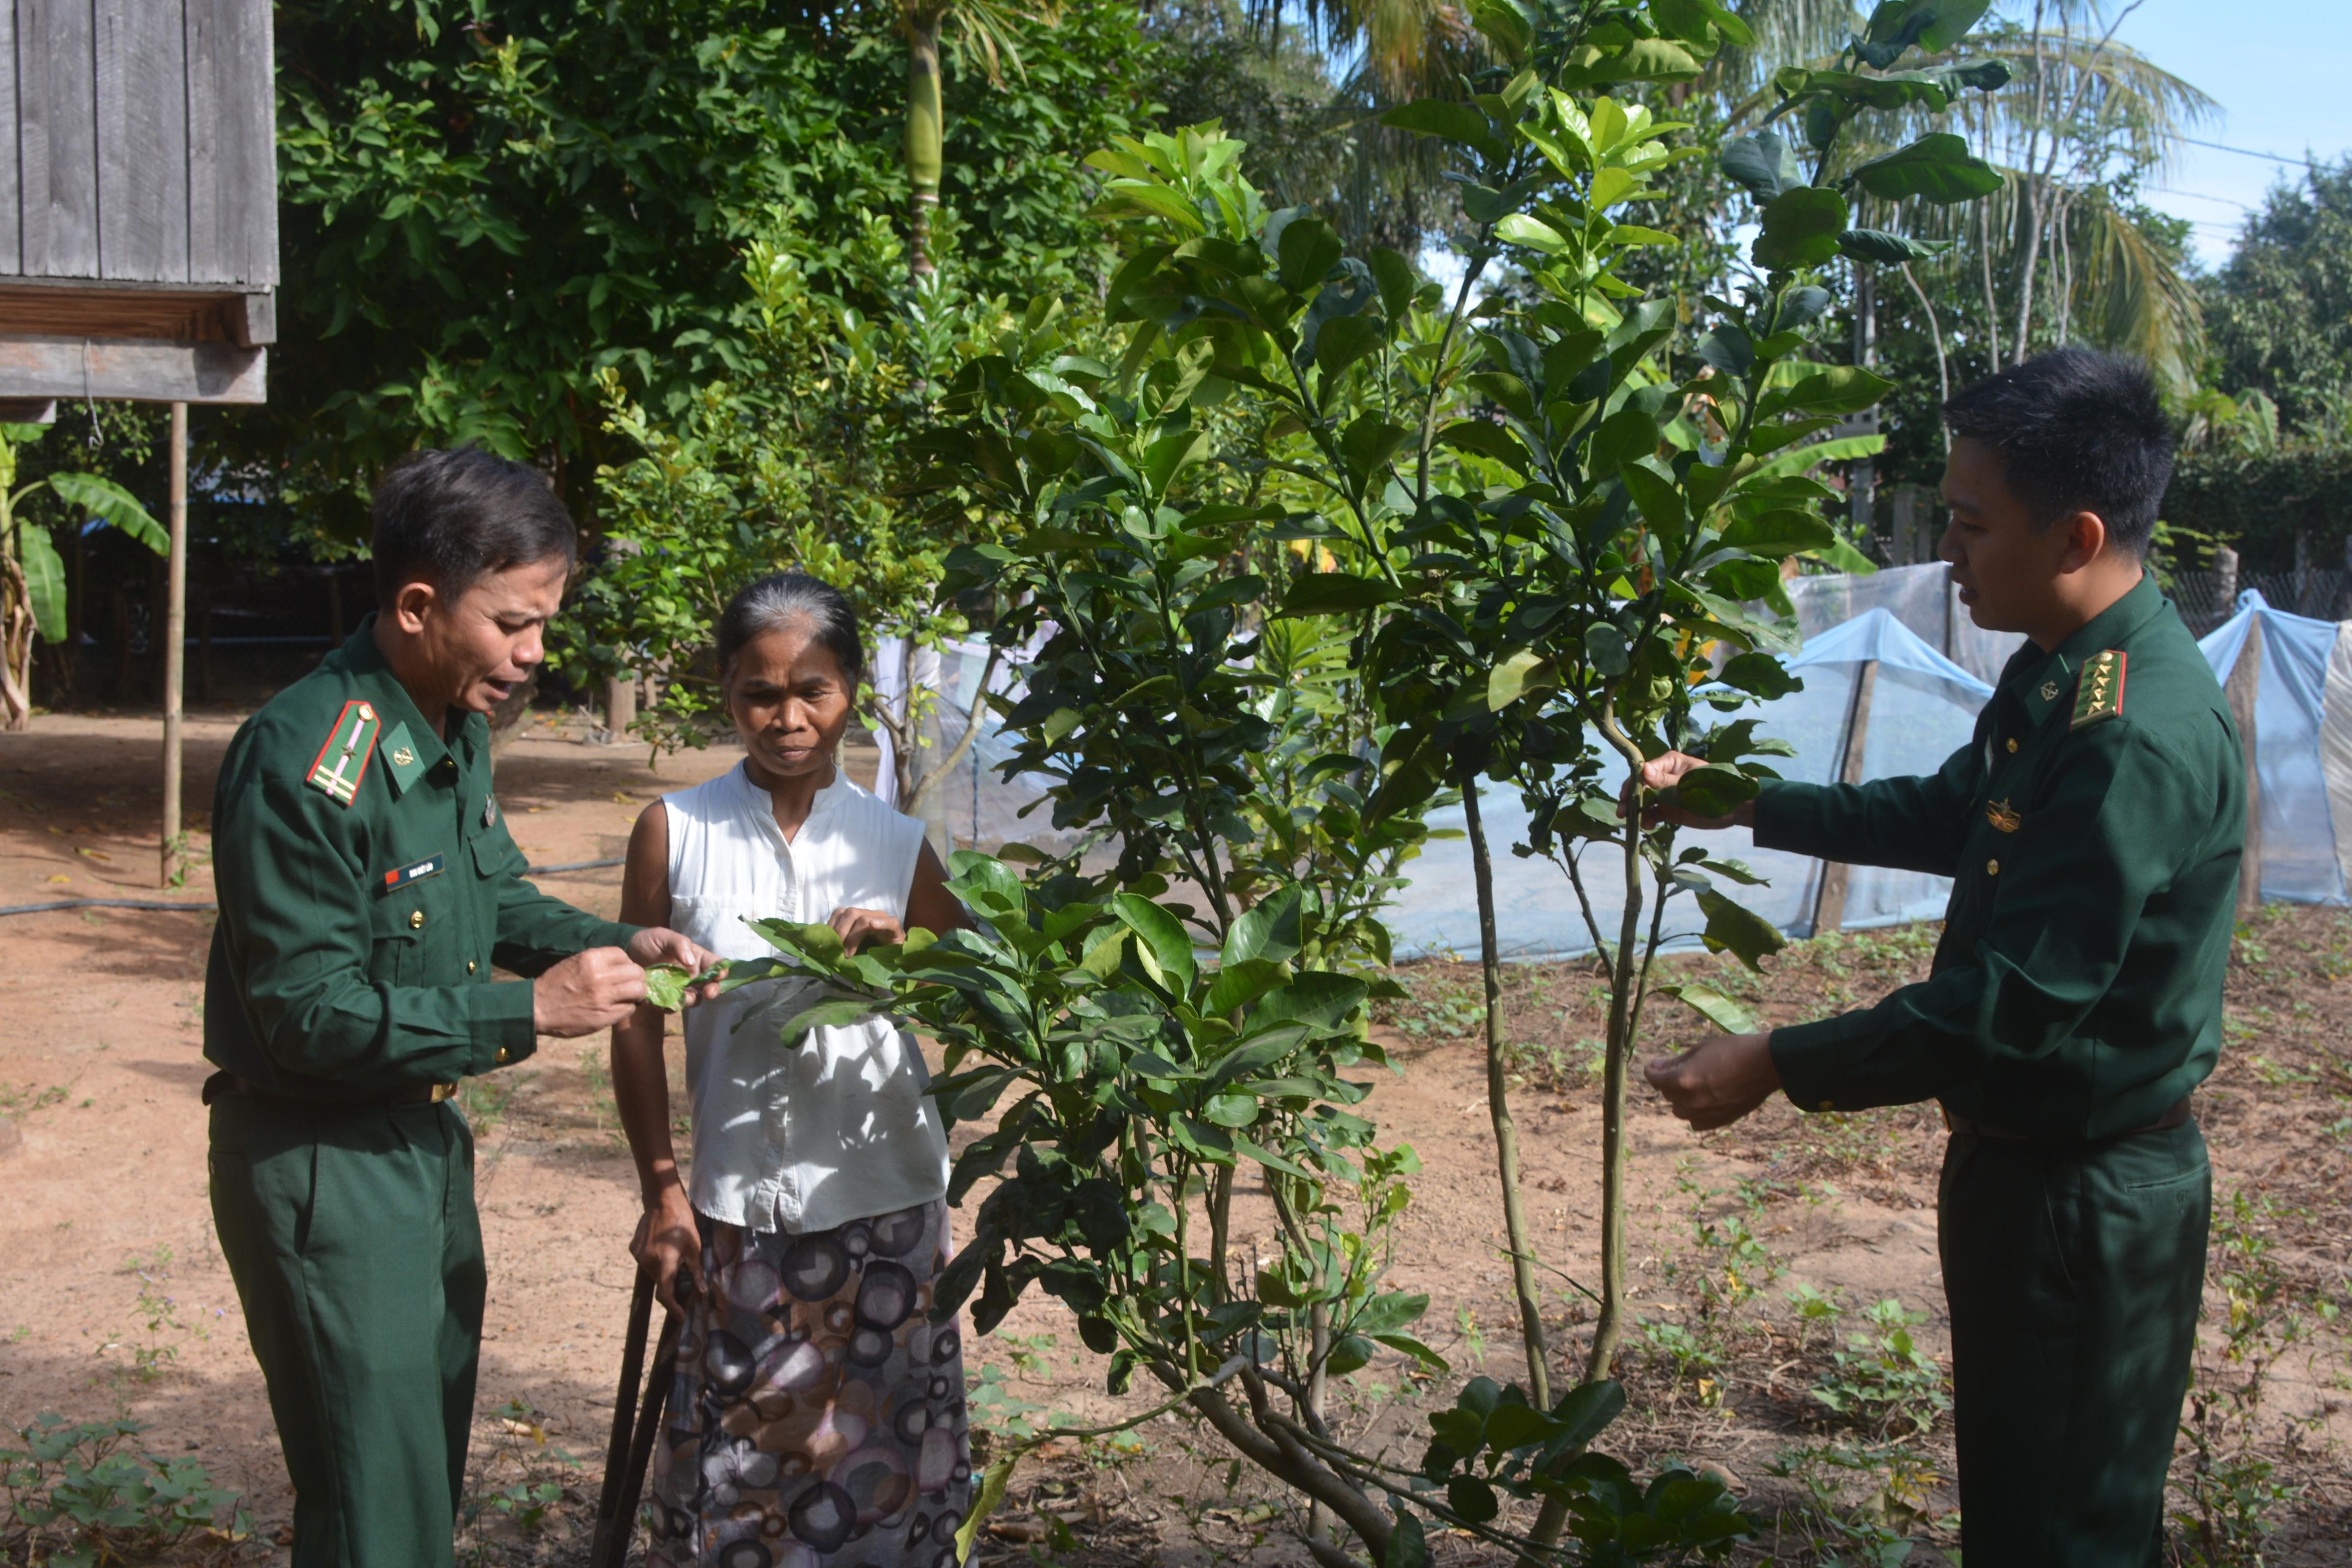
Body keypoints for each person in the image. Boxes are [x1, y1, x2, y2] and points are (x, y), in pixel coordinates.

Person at [1642, 348, 2241, 1567]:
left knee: (2060, 1532)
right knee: (2029, 1502)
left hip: (2085, 1200)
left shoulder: (2130, 730)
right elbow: (1949, 813)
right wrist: (1741, 800)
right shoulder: (2059, 674)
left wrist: (1778, 1057)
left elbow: (2014, 1006)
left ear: (2076, 536)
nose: (1949, 553)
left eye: (1970, 525)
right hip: (2026, 1176)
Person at [202, 448, 721, 1568]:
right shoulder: (304, 759)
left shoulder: (447, 727)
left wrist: (622, 940)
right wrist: (528, 1012)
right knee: (373, 1506)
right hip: (324, 1163)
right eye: (515, 622)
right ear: (418, 603)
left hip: (421, 1146)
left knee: (414, 1485)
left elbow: (495, 893)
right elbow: (308, 1016)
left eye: (547, 622)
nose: (537, 653)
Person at [612, 571, 973, 1568]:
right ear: (725, 692)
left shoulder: (896, 842)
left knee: (883, 1467)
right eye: (759, 692)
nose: (787, 716)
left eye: (812, 687)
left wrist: (912, 947)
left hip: (887, 1208)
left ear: (851, 688)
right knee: (743, 1476)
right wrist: (662, 1190)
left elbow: (986, 980)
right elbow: (635, 1023)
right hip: (740, 1213)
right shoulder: (674, 832)